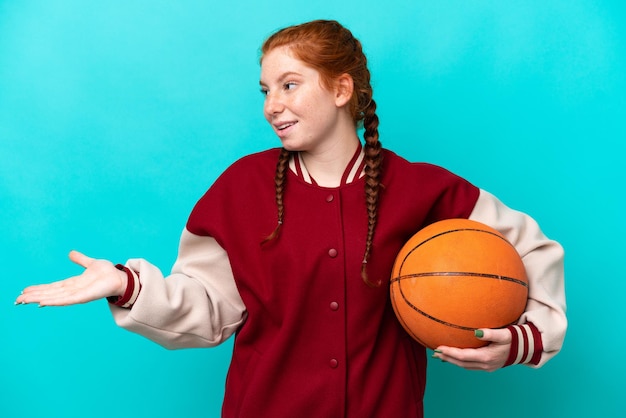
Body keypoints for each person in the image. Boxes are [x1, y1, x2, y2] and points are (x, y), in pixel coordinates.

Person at [15, 19, 566, 418]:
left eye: (289, 84)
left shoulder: (423, 189)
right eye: (265, 91)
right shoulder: (241, 188)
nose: (271, 105)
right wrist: (129, 284)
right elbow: (209, 308)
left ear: (341, 88)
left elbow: (530, 253)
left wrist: (520, 339)